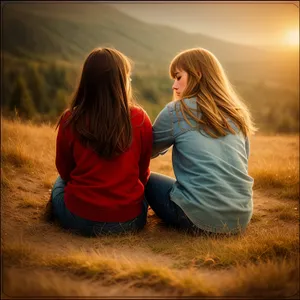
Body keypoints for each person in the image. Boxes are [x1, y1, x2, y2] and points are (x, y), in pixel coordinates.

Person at [145, 48, 256, 236]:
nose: (174, 85)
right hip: (240, 218)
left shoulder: (176, 111)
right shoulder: (237, 114)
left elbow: (146, 151)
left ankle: (131, 216)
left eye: (178, 77)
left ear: (197, 75)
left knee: (147, 178)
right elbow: (243, 160)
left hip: (198, 220)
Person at [46, 47, 153, 237]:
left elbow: (65, 170)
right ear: (119, 81)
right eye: (128, 76)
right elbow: (142, 172)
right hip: (130, 221)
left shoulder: (71, 118)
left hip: (79, 219)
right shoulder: (140, 118)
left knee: (59, 183)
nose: (129, 81)